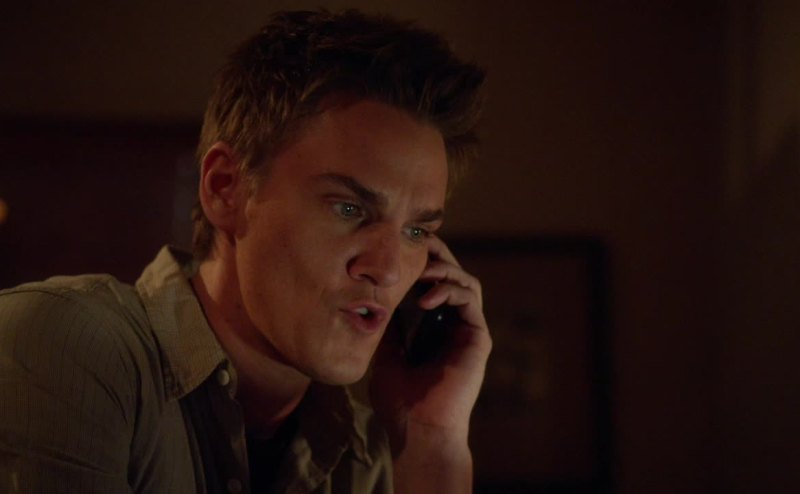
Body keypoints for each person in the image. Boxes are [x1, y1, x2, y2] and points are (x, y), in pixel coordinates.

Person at [0, 9, 491, 493]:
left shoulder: (368, 460)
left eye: (416, 232)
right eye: (348, 209)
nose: (388, 270)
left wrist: (432, 443)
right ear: (225, 188)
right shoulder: (70, 347)